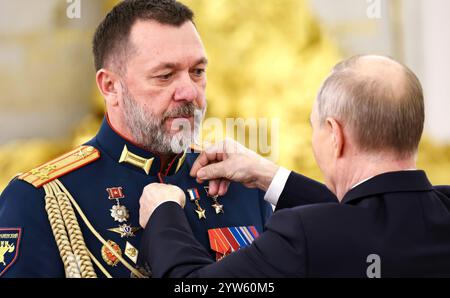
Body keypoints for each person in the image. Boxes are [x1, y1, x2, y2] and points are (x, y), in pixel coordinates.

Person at [0, 0, 272, 278]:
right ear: (111, 86)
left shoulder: (242, 187)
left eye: (197, 72)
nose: (189, 92)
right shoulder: (40, 199)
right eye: (165, 76)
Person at [138, 55, 450, 278]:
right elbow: (370, 223)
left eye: (314, 126)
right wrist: (268, 175)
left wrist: (164, 213)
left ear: (335, 136)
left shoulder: (303, 236)